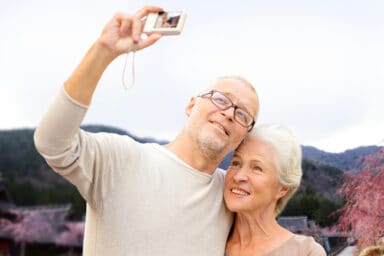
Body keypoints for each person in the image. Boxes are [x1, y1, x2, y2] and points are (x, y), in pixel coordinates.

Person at [33, 6, 259, 256]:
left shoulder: (233, 196)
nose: (228, 113)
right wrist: (102, 52)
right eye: (220, 99)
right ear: (191, 105)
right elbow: (52, 142)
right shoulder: (121, 159)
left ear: (243, 138)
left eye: (242, 115)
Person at [224, 124, 327, 256]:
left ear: (282, 189)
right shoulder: (210, 240)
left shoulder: (305, 251)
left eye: (257, 168)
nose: (238, 176)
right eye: (236, 163)